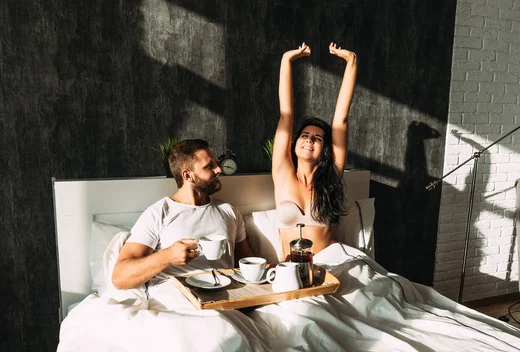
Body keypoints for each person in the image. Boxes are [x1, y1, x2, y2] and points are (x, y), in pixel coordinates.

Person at [113, 139, 254, 291]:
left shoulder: (228, 211)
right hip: (177, 301)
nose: (219, 169)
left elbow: (246, 261)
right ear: (188, 176)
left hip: (224, 298)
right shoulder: (159, 213)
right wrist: (167, 256)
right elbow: (119, 278)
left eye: (216, 164)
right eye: (209, 166)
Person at [272, 42, 357, 259]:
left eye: (318, 138)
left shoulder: (331, 177)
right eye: (305, 135)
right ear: (294, 142)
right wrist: (287, 60)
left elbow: (341, 120)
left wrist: (351, 62)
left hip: (334, 265)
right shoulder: (282, 173)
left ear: (324, 149)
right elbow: (286, 116)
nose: (310, 140)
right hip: (292, 272)